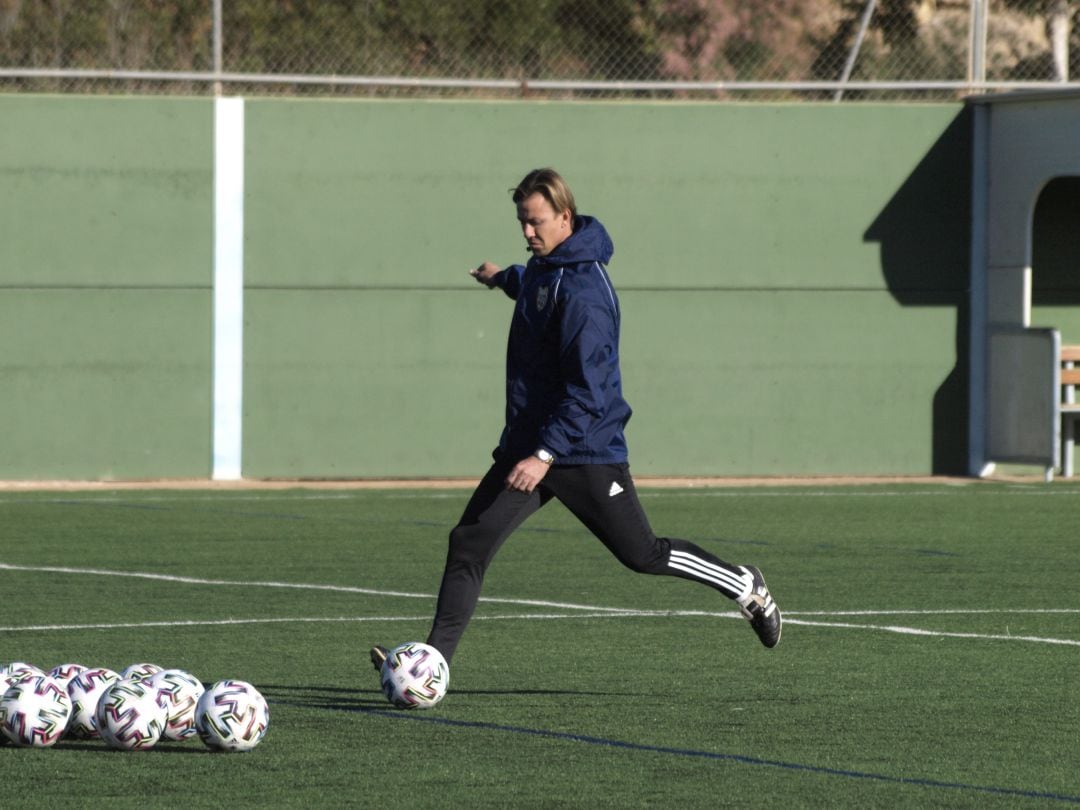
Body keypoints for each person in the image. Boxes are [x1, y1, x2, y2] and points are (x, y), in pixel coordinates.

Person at [372, 168, 780, 675]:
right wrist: (502, 277)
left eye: (535, 222)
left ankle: (744, 585)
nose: (526, 233)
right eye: (521, 221)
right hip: (532, 445)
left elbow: (588, 392)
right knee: (469, 542)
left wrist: (545, 455)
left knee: (642, 554)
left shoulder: (586, 294)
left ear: (565, 217)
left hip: (582, 449)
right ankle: (430, 665)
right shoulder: (546, 267)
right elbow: (535, 288)